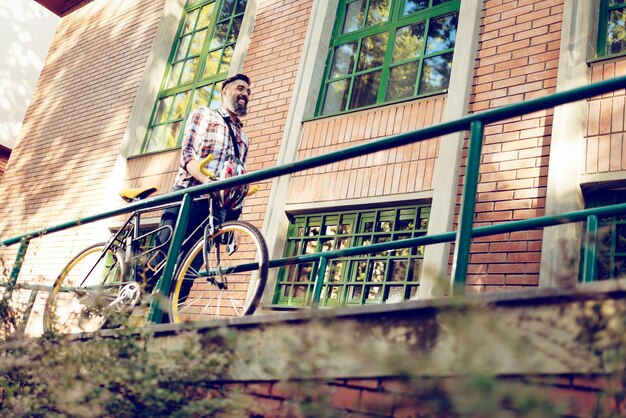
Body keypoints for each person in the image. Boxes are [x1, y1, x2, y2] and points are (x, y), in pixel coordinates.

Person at [143, 73, 252, 288]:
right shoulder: (205, 115)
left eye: (248, 92)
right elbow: (187, 156)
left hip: (215, 211)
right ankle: (125, 309)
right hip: (189, 194)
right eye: (240, 88)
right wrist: (206, 180)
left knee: (189, 271)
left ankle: (165, 320)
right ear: (225, 91)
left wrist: (233, 223)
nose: (245, 94)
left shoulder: (244, 138)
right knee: (162, 255)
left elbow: (238, 180)